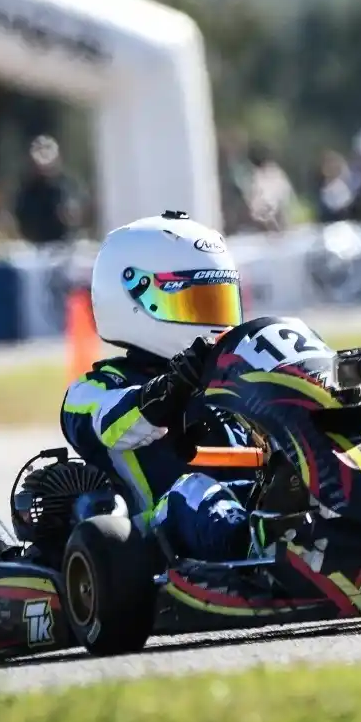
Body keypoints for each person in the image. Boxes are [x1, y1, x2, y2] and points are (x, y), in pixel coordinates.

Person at [60, 211, 257, 562]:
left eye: (218, 301)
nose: (212, 320)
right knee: (194, 492)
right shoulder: (94, 390)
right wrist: (169, 390)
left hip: (248, 501)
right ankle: (251, 551)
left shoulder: (234, 375)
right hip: (154, 534)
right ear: (134, 298)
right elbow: (112, 424)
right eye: (195, 303)